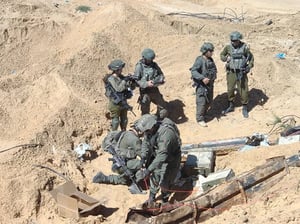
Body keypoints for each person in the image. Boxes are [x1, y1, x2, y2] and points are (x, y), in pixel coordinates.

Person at [134, 114, 182, 206]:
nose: (146, 133)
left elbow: (162, 156)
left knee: (166, 180)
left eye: (147, 131)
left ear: (153, 126)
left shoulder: (166, 133)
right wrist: (143, 157)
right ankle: (152, 197)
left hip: (171, 157)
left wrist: (148, 170)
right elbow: (145, 142)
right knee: (155, 175)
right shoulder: (149, 131)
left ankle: (165, 198)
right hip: (159, 155)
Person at [220, 31, 254, 118]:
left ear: (239, 40)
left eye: (235, 40)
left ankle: (245, 107)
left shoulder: (244, 47)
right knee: (230, 89)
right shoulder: (228, 47)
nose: (233, 42)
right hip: (231, 72)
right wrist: (225, 58)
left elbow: (251, 58)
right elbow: (222, 55)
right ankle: (231, 105)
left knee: (243, 90)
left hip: (241, 72)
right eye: (232, 40)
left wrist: (249, 67)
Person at [133, 48, 168, 118]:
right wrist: (146, 84)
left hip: (154, 90)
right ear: (144, 58)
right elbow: (136, 80)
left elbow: (161, 75)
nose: (150, 61)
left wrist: (157, 81)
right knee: (145, 112)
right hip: (144, 92)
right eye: (149, 60)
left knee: (163, 108)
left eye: (151, 59)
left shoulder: (154, 65)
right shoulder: (139, 66)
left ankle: (159, 121)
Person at [190, 42, 217, 127]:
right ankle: (200, 119)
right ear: (206, 51)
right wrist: (202, 78)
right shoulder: (200, 60)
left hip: (210, 85)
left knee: (209, 101)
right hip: (202, 86)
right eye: (210, 51)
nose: (212, 52)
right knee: (201, 103)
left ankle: (204, 114)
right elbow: (193, 71)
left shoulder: (210, 59)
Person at [103, 59, 135, 131]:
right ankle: (112, 136)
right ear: (116, 69)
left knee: (124, 120)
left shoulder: (121, 77)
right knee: (116, 121)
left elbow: (128, 87)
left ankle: (123, 134)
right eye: (120, 69)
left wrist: (130, 81)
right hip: (115, 103)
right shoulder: (111, 79)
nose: (122, 70)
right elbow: (118, 89)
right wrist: (125, 80)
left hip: (123, 101)